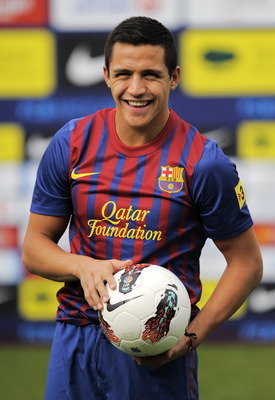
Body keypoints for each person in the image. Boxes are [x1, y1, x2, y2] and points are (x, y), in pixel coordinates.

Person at [22, 16, 263, 400]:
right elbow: (35, 247)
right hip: (75, 337)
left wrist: (191, 335)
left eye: (150, 74)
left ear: (175, 77)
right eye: (123, 74)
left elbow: (247, 263)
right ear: (105, 75)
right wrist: (81, 265)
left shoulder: (203, 162)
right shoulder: (72, 143)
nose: (136, 89)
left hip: (156, 348)